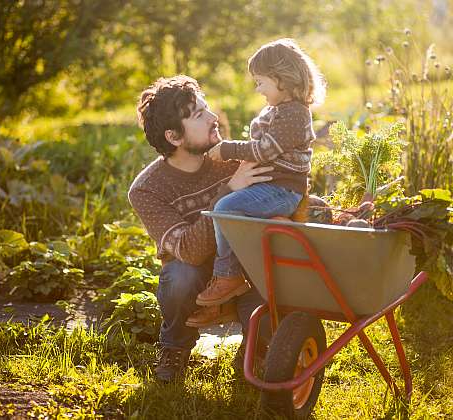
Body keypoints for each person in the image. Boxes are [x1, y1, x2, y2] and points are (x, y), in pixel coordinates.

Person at [128, 75, 273, 382]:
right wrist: (229, 192)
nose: (213, 118)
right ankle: (174, 347)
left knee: (276, 272)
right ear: (174, 137)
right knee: (179, 276)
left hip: (243, 272)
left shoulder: (231, 158)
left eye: (207, 109)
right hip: (196, 279)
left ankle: (256, 348)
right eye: (198, 115)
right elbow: (191, 252)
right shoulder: (147, 189)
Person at [194, 38, 326, 308]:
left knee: (225, 208)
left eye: (260, 82)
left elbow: (266, 150)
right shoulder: (278, 110)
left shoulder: (295, 114)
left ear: (282, 78)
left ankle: (228, 275)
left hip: (284, 190)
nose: (258, 89)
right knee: (227, 207)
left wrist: (229, 149)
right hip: (269, 187)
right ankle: (264, 240)